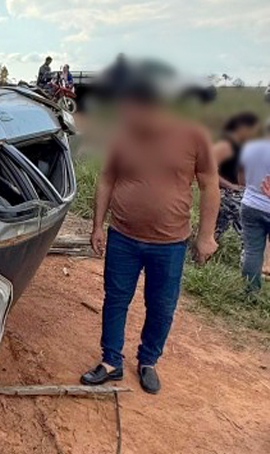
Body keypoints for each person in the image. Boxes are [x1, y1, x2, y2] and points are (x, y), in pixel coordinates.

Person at [81, 79, 219, 394]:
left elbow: (210, 184)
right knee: (116, 299)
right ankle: (111, 361)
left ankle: (148, 361)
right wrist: (98, 225)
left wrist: (206, 236)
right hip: (123, 237)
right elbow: (106, 179)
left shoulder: (194, 135)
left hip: (170, 243)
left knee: (161, 306)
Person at [213, 112, 260, 238]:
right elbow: (208, 172)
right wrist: (231, 186)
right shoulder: (224, 146)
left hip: (237, 192)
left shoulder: (242, 147)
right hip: (225, 194)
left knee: (218, 231)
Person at [237, 117, 270, 293]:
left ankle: (251, 292)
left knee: (252, 251)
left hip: (250, 204)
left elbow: (241, 179)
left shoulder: (250, 148)